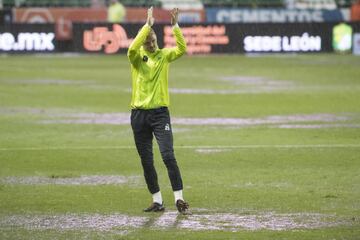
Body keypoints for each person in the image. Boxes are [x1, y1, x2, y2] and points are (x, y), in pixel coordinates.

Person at [127, 6, 189, 214]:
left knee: (167, 155)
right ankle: (157, 200)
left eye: (153, 40)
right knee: (146, 160)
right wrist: (147, 27)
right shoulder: (136, 59)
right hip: (138, 115)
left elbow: (182, 49)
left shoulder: (164, 56)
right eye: (148, 42)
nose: (152, 44)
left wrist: (175, 26)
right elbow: (131, 49)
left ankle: (179, 198)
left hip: (160, 114)